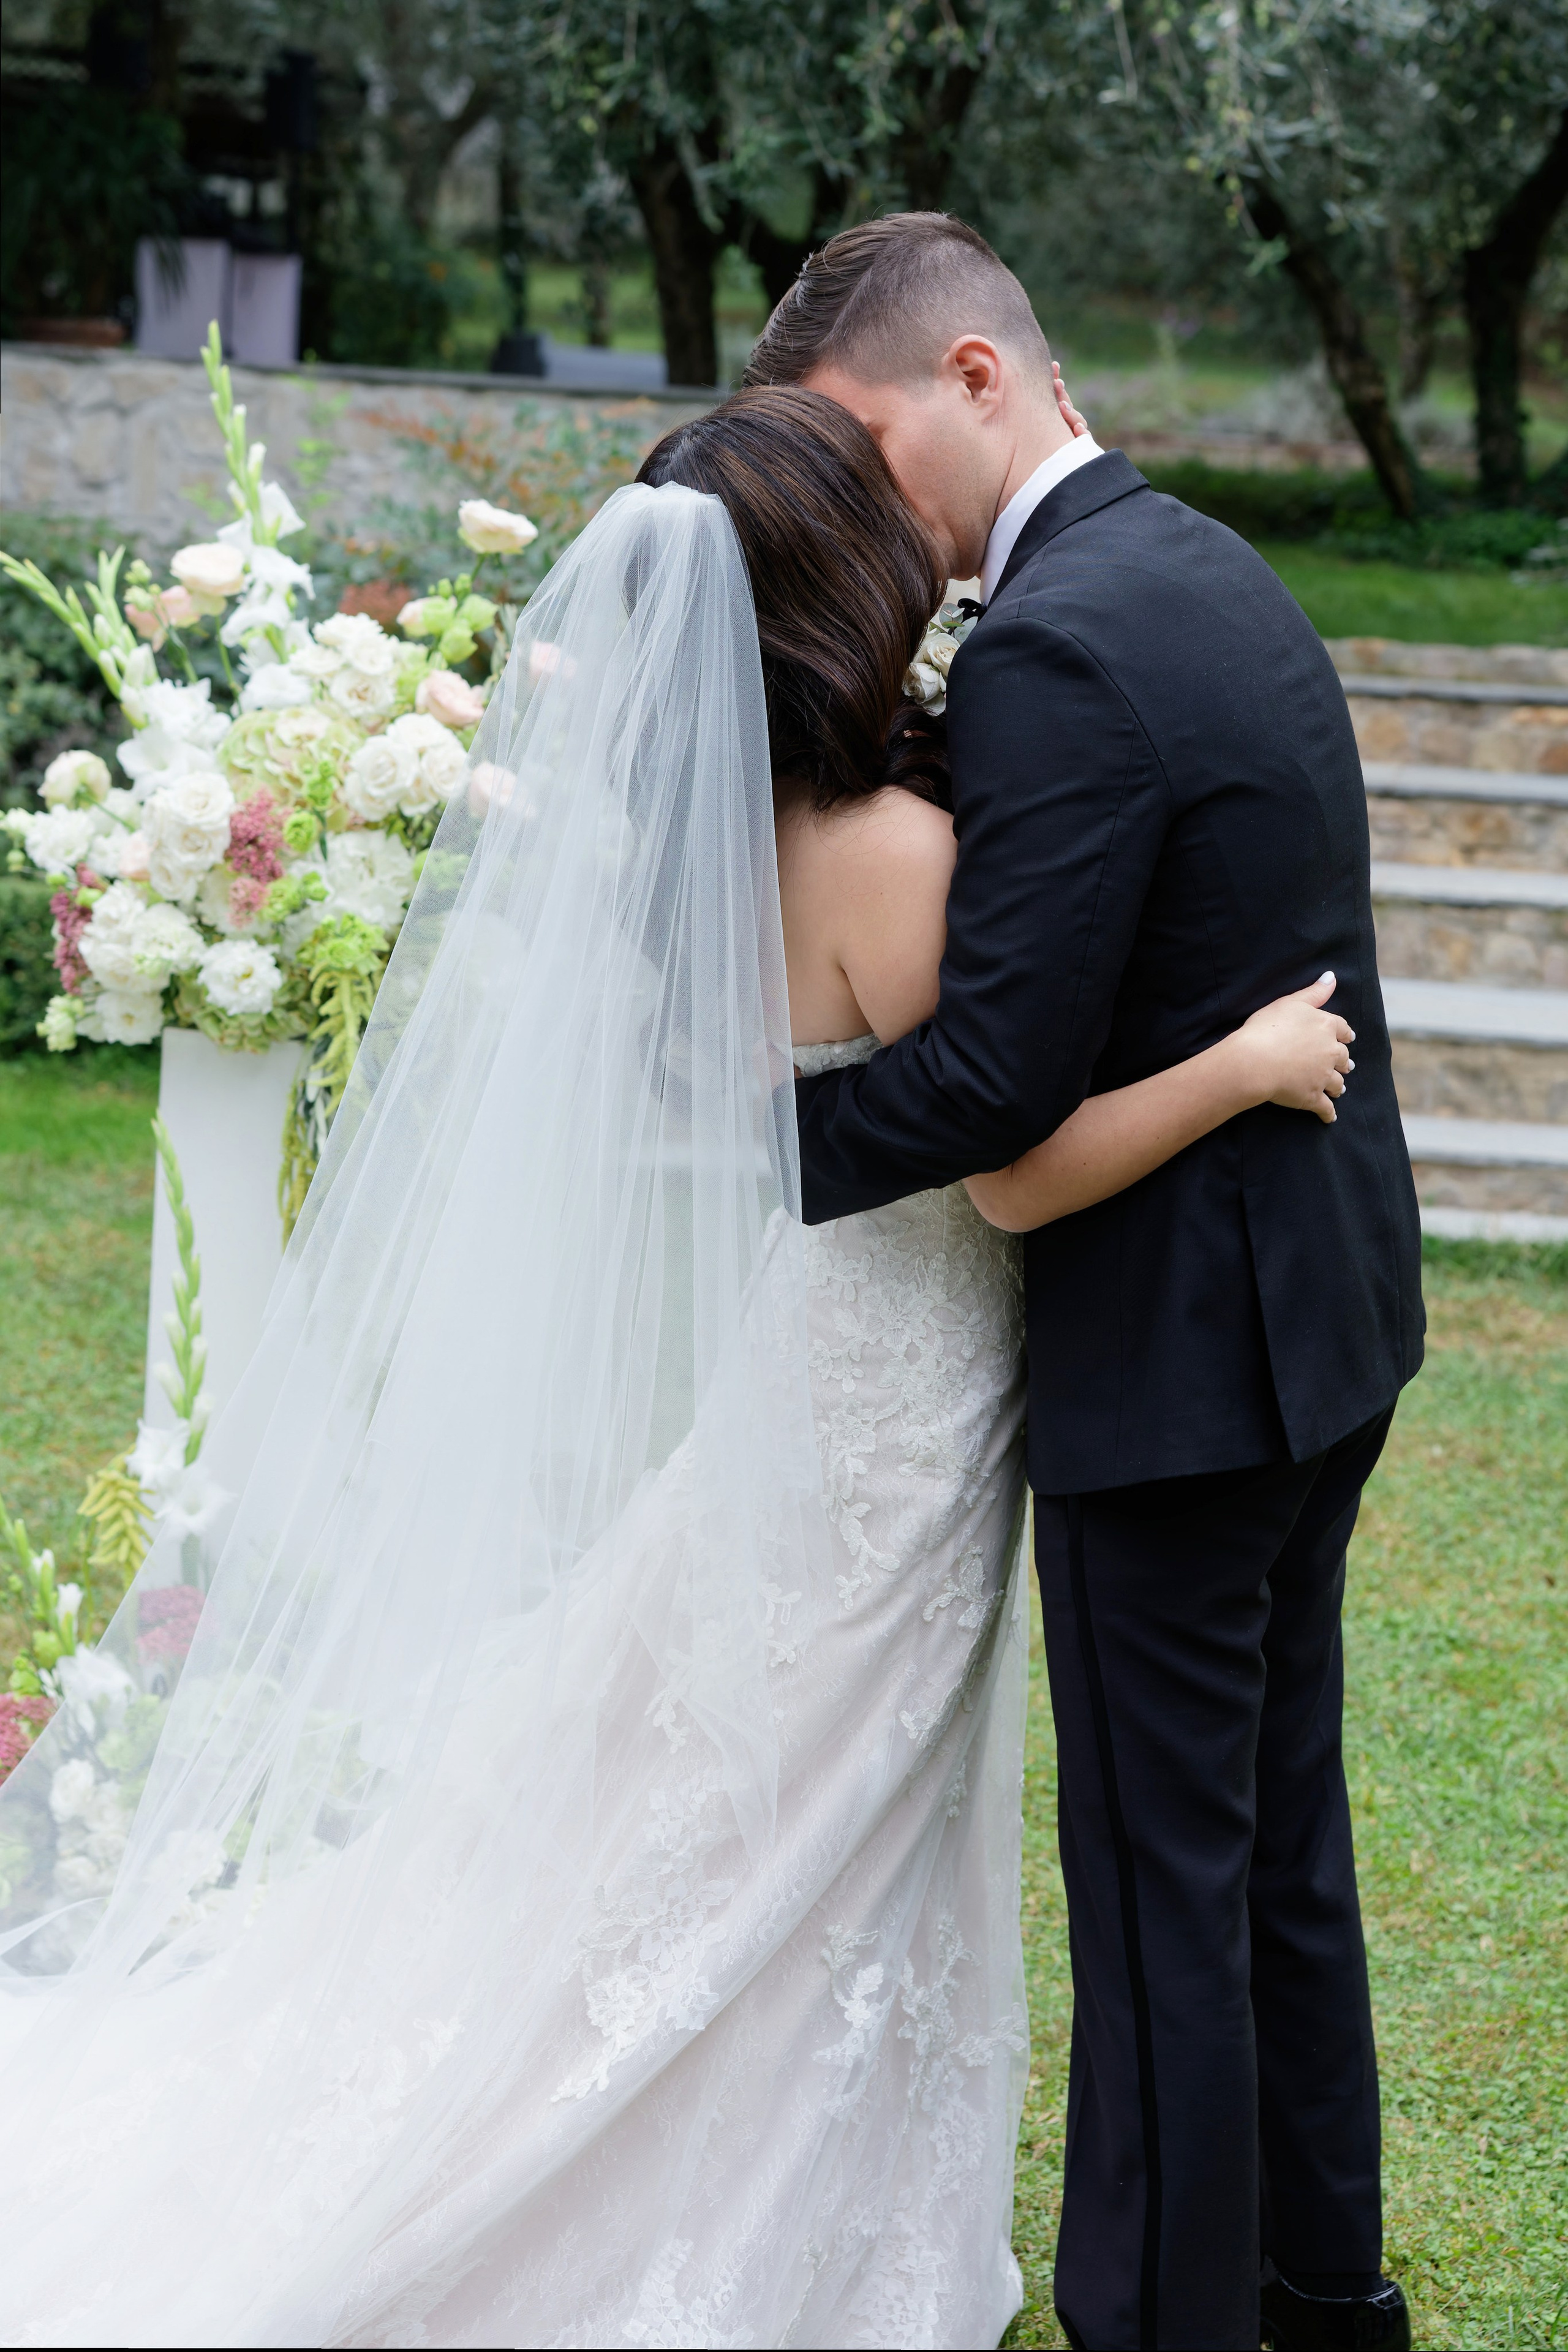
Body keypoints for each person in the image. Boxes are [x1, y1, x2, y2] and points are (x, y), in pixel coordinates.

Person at [0, 415, 1351, 2352]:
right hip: (901, 1418)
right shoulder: (896, 851)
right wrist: (1235, 1065)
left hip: (808, 1370)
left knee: (725, 1807)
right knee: (814, 1825)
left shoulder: (704, 847)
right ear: (841, 594)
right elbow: (1007, 1163)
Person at [742, 213, 1425, 2352]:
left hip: (1181, 1360)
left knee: (1158, 1900)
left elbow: (985, 1083)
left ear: (972, 377)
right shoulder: (1208, 567)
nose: (855, 501)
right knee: (1276, 1851)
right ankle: (1329, 2291)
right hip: (1322, 1321)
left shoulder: (1049, 641)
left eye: (859, 444)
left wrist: (718, 1158)